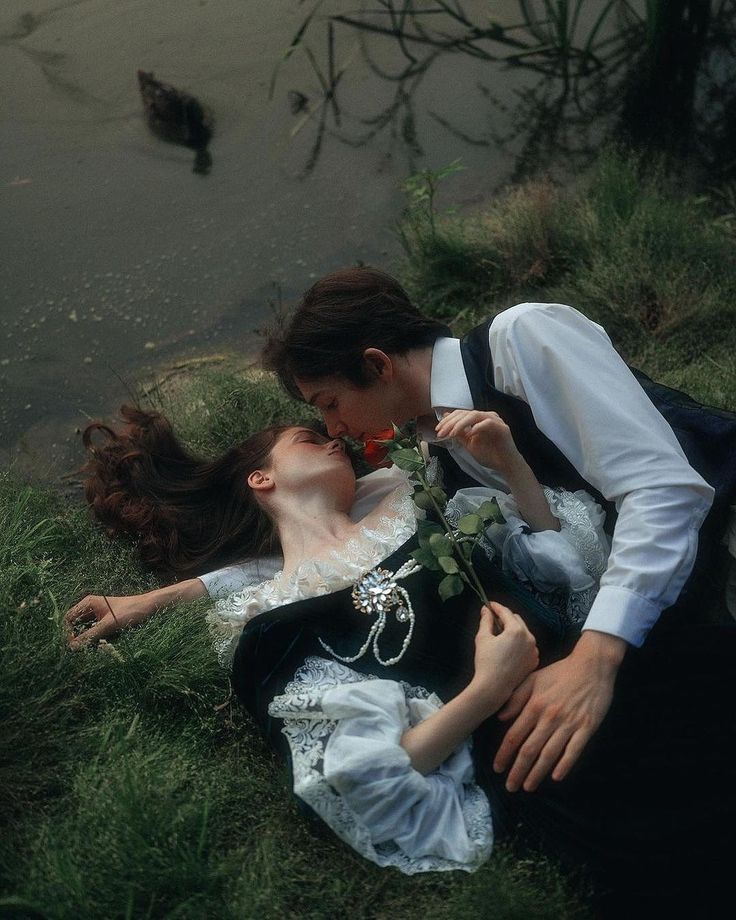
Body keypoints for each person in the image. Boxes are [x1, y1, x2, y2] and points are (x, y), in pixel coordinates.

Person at [65, 405, 735, 917]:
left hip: (597, 672)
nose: (335, 439)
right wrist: (484, 688)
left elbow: (564, 570)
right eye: (309, 438)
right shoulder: (267, 619)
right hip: (533, 746)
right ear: (261, 477)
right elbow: (361, 776)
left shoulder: (404, 496)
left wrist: (512, 466)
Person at [257, 265, 736, 796]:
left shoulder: (523, 339)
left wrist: (597, 656)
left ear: (376, 364)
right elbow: (326, 522)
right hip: (673, 604)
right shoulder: (430, 449)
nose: (334, 430)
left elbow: (663, 490)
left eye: (329, 403)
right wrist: (191, 588)